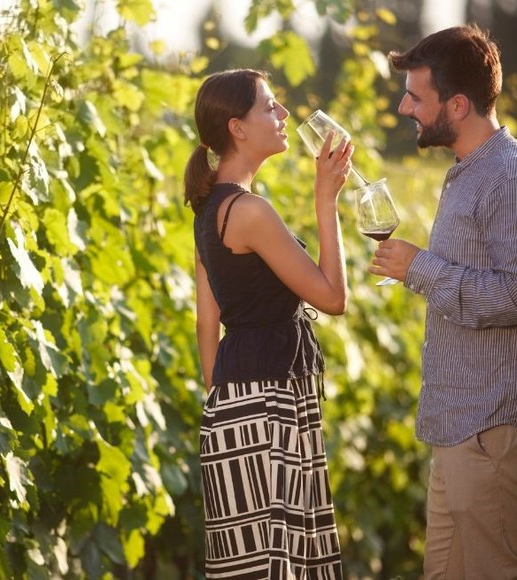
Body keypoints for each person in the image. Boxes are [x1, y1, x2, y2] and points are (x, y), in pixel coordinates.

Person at [376, 25, 517, 578]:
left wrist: (420, 267)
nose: (403, 106)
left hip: (499, 424)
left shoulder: (512, 176)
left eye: (416, 96)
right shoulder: (469, 174)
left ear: (458, 105)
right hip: (465, 425)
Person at [184, 68, 353, 579]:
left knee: (250, 567)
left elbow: (205, 324)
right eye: (270, 106)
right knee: (284, 566)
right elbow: (332, 297)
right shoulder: (250, 211)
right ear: (237, 127)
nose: (283, 115)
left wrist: (225, 408)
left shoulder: (208, 210)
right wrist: (327, 200)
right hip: (270, 408)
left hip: (235, 408)